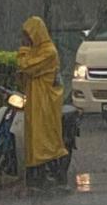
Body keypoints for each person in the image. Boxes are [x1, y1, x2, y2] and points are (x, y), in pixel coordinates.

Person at [17, 16, 70, 188]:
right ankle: (39, 176)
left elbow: (26, 66)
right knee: (37, 138)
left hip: (45, 102)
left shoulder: (48, 52)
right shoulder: (38, 50)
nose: (25, 39)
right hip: (35, 101)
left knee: (45, 138)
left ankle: (53, 174)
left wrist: (23, 50)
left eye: (27, 35)